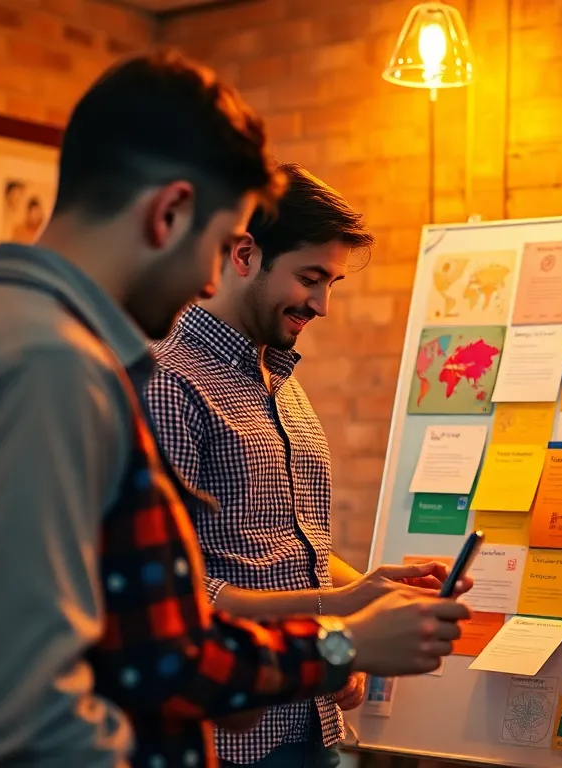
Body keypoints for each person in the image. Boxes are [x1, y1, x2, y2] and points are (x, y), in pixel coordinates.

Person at [0, 50, 469, 768]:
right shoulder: (43, 367)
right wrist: (341, 641)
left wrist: (339, 641)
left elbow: (154, 646)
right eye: (221, 246)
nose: (215, 277)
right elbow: (32, 711)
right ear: (169, 213)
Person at [144, 162, 464, 768]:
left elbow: (287, 553)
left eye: (332, 283)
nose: (322, 305)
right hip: (232, 739)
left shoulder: (280, 379)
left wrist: (365, 588)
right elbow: (179, 597)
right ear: (244, 255)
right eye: (311, 278)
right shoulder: (170, 382)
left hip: (313, 720)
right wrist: (338, 623)